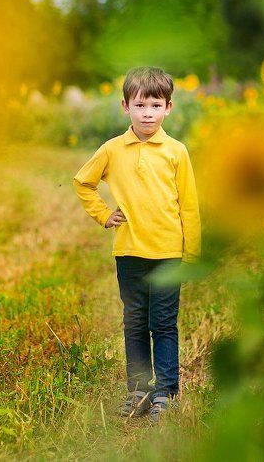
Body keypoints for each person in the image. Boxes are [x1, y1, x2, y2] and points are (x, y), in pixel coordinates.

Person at [72, 66, 201, 424]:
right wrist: (102, 214)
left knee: (163, 323)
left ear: (169, 108)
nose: (148, 114)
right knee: (134, 322)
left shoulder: (176, 151)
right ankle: (140, 390)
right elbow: (83, 182)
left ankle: (166, 393)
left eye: (155, 106)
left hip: (167, 253)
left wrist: (191, 251)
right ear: (125, 106)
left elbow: (189, 204)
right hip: (129, 252)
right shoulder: (112, 150)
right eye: (140, 105)